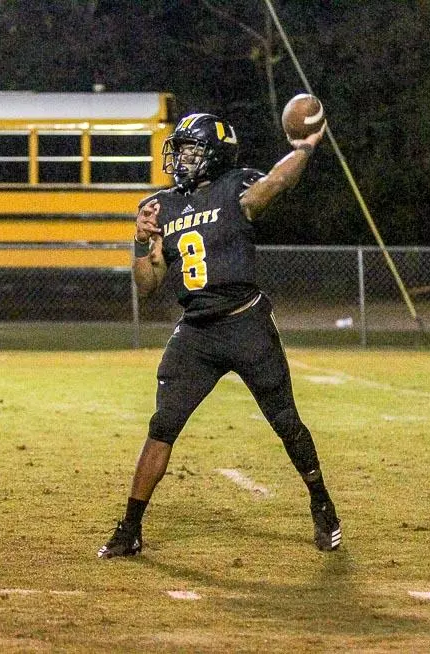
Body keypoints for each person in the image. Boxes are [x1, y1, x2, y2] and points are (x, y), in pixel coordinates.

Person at [98, 113, 341, 559]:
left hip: (246, 323)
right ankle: (129, 527)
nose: (181, 159)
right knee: (162, 426)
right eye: (180, 150)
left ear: (214, 155)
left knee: (286, 422)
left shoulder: (236, 186)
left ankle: (321, 502)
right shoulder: (161, 205)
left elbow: (274, 183)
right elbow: (147, 284)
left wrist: (305, 147)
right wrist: (139, 241)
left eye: (191, 149)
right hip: (196, 333)